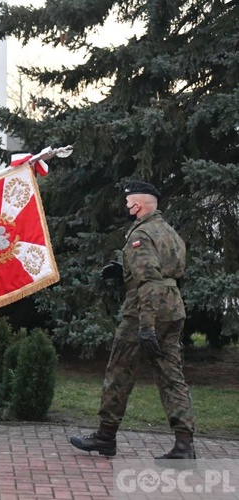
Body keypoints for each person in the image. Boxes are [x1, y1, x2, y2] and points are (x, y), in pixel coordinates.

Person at [70, 181, 196, 459]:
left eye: (128, 203)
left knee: (119, 370)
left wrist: (146, 326)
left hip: (144, 310)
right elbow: (167, 272)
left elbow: (149, 281)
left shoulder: (141, 234)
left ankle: (105, 436)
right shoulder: (170, 232)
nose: (126, 208)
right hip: (172, 307)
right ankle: (185, 444)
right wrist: (124, 273)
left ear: (136, 206)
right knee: (172, 376)